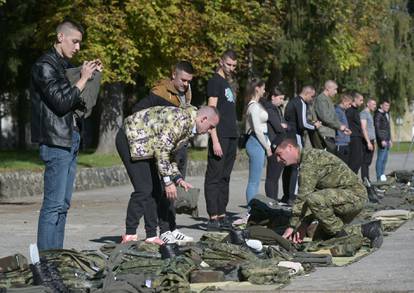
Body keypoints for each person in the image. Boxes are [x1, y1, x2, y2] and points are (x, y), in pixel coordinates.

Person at [30, 20, 102, 251]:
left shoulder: (61, 65)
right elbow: (61, 103)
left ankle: (57, 257)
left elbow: (75, 100)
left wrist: (89, 76)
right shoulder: (44, 65)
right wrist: (83, 78)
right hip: (55, 141)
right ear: (61, 37)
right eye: (75, 42)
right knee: (52, 205)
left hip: (70, 138)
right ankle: (46, 261)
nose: (78, 47)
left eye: (80, 43)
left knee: (63, 205)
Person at [117, 61, 195, 244]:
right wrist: (153, 137)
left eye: (189, 81)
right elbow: (137, 113)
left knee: (169, 191)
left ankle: (166, 229)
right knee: (156, 189)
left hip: (173, 148)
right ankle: (161, 230)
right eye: (183, 80)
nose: (186, 84)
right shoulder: (159, 93)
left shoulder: (186, 94)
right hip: (154, 147)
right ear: (173, 75)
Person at [122, 106, 219, 242]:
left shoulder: (189, 126)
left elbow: (169, 154)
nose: (209, 131)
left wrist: (178, 178)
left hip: (147, 145)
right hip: (130, 139)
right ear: (203, 119)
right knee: (144, 189)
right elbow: (162, 150)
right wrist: (168, 182)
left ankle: (151, 236)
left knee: (155, 191)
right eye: (210, 126)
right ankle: (130, 233)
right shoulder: (181, 121)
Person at [275, 139, 383, 248]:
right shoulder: (307, 158)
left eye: (279, 154)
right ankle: (369, 229)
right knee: (320, 241)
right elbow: (310, 200)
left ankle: (348, 235)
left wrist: (292, 226)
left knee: (315, 200)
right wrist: (304, 224)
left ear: (290, 147)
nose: (278, 159)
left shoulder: (309, 162)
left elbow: (304, 198)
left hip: (354, 197)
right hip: (341, 199)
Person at [204, 50, 239, 231]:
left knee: (225, 177)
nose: (231, 68)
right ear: (220, 62)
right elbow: (211, 112)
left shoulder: (227, 83)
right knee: (214, 177)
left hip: (231, 136)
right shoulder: (214, 82)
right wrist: (215, 140)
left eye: (234, 65)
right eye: (228, 65)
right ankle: (212, 216)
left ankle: (222, 214)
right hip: (220, 136)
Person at [282, 85, 321, 204]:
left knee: (287, 167)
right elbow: (303, 124)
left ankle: (286, 195)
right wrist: (315, 126)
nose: (312, 99)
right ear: (308, 93)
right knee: (296, 167)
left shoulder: (292, 102)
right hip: (295, 137)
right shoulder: (301, 103)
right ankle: (292, 196)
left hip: (287, 136)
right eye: (312, 96)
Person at [244, 78, 270, 204]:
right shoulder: (253, 106)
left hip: (260, 141)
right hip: (256, 141)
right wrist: (267, 147)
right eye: (263, 88)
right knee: (254, 181)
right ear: (257, 88)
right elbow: (258, 130)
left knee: (256, 180)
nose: (264, 90)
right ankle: (250, 210)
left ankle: (253, 209)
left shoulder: (257, 105)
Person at [260, 87, 287, 201]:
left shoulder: (276, 109)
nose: (282, 101)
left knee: (274, 178)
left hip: (279, 143)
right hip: (274, 145)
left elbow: (283, 125)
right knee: (272, 178)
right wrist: (283, 126)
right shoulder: (270, 110)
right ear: (273, 97)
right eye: (280, 98)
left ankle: (273, 201)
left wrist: (284, 126)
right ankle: (271, 201)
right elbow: (279, 127)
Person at [313, 80, 351, 153]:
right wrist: (339, 126)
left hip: (330, 134)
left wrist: (342, 128)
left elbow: (333, 117)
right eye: (335, 89)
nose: (336, 92)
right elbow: (325, 117)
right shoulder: (321, 99)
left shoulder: (328, 99)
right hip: (324, 134)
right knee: (325, 160)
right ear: (328, 88)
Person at [346, 92, 365, 174]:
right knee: (354, 160)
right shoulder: (350, 110)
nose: (362, 102)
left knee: (359, 160)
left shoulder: (356, 110)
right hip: (353, 138)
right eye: (361, 100)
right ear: (355, 99)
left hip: (358, 137)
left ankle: (354, 178)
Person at [374, 100, 392, 181]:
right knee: (380, 159)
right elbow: (377, 129)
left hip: (387, 140)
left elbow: (388, 129)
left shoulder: (386, 114)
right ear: (381, 105)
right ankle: (379, 177)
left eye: (388, 105)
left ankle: (382, 176)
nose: (387, 107)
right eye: (386, 105)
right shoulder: (378, 115)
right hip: (382, 140)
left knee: (384, 160)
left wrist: (390, 139)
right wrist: (381, 139)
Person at [360, 98, 377, 181]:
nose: (375, 106)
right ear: (368, 104)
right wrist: (368, 142)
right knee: (365, 162)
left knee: (368, 162)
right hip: (367, 141)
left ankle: (367, 179)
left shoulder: (369, 114)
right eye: (373, 104)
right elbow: (363, 128)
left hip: (371, 140)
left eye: (375, 104)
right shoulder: (364, 113)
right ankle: (365, 179)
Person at [334, 93, 352, 165]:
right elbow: (336, 125)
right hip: (340, 143)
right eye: (349, 103)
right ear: (344, 101)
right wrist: (344, 131)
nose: (350, 106)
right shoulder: (338, 111)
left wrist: (346, 130)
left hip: (345, 142)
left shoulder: (342, 111)